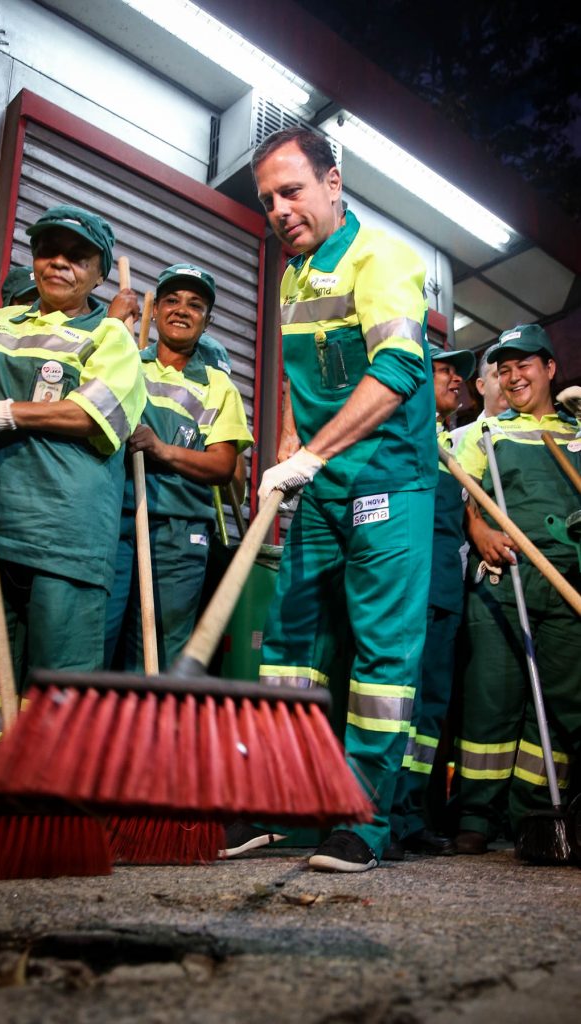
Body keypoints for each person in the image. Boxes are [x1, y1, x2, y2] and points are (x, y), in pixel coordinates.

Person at [224, 127, 437, 873]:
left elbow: (400, 369)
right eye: (267, 201)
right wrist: (288, 446)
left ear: (333, 181)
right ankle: (286, 809)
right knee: (289, 652)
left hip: (386, 486)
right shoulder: (292, 275)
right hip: (319, 486)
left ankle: (362, 820)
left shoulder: (382, 260)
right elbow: (299, 377)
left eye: (292, 191)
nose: (280, 210)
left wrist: (314, 454)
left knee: (379, 659)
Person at [0, 198, 146, 788]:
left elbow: (95, 417)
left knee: (61, 688)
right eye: (48, 251)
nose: (59, 263)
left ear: (98, 271)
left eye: (77, 256)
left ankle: (51, 818)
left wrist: (3, 411)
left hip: (62, 535)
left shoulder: (110, 338)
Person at [454, 323, 581, 854]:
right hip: (505, 578)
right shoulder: (488, 432)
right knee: (491, 694)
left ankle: (534, 811)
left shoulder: (578, 431)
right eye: (503, 370)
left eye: (523, 365)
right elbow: (468, 497)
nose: (512, 377)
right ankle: (476, 815)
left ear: (550, 368)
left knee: (559, 700)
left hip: (567, 576)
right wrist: (480, 530)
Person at [104, 263, 253, 671]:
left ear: (207, 320)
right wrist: (114, 325)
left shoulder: (218, 386)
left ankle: (150, 733)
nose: (181, 310)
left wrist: (161, 450)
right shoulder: (128, 362)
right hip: (116, 519)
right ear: (157, 311)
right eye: (171, 300)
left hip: (180, 533)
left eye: (195, 304)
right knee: (97, 637)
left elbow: (224, 466)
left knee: (160, 652)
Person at [387, 343, 476, 857]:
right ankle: (385, 813)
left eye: (458, 375)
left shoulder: (458, 447)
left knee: (431, 711)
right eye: (443, 371)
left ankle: (411, 812)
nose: (455, 380)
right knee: (401, 702)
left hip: (444, 589)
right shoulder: (405, 438)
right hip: (408, 586)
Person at [451, 344, 509, 446]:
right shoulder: (456, 440)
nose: (507, 381)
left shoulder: (536, 432)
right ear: (481, 386)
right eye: (500, 373)